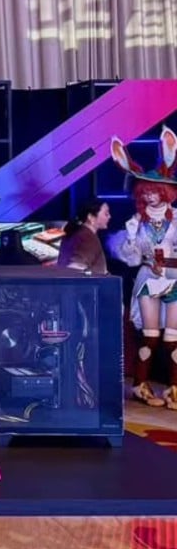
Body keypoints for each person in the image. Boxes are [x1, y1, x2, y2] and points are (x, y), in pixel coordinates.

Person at [108, 127, 177, 409]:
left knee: (174, 338)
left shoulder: (176, 219)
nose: (150, 197)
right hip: (149, 277)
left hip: (174, 276)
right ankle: (140, 385)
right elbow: (132, 258)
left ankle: (173, 389)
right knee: (150, 336)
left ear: (166, 191)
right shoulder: (136, 222)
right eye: (145, 192)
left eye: (154, 191)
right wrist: (132, 236)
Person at [57, 199, 111, 274]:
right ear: (91, 217)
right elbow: (75, 267)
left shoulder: (79, 233)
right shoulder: (87, 237)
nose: (109, 216)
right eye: (106, 213)